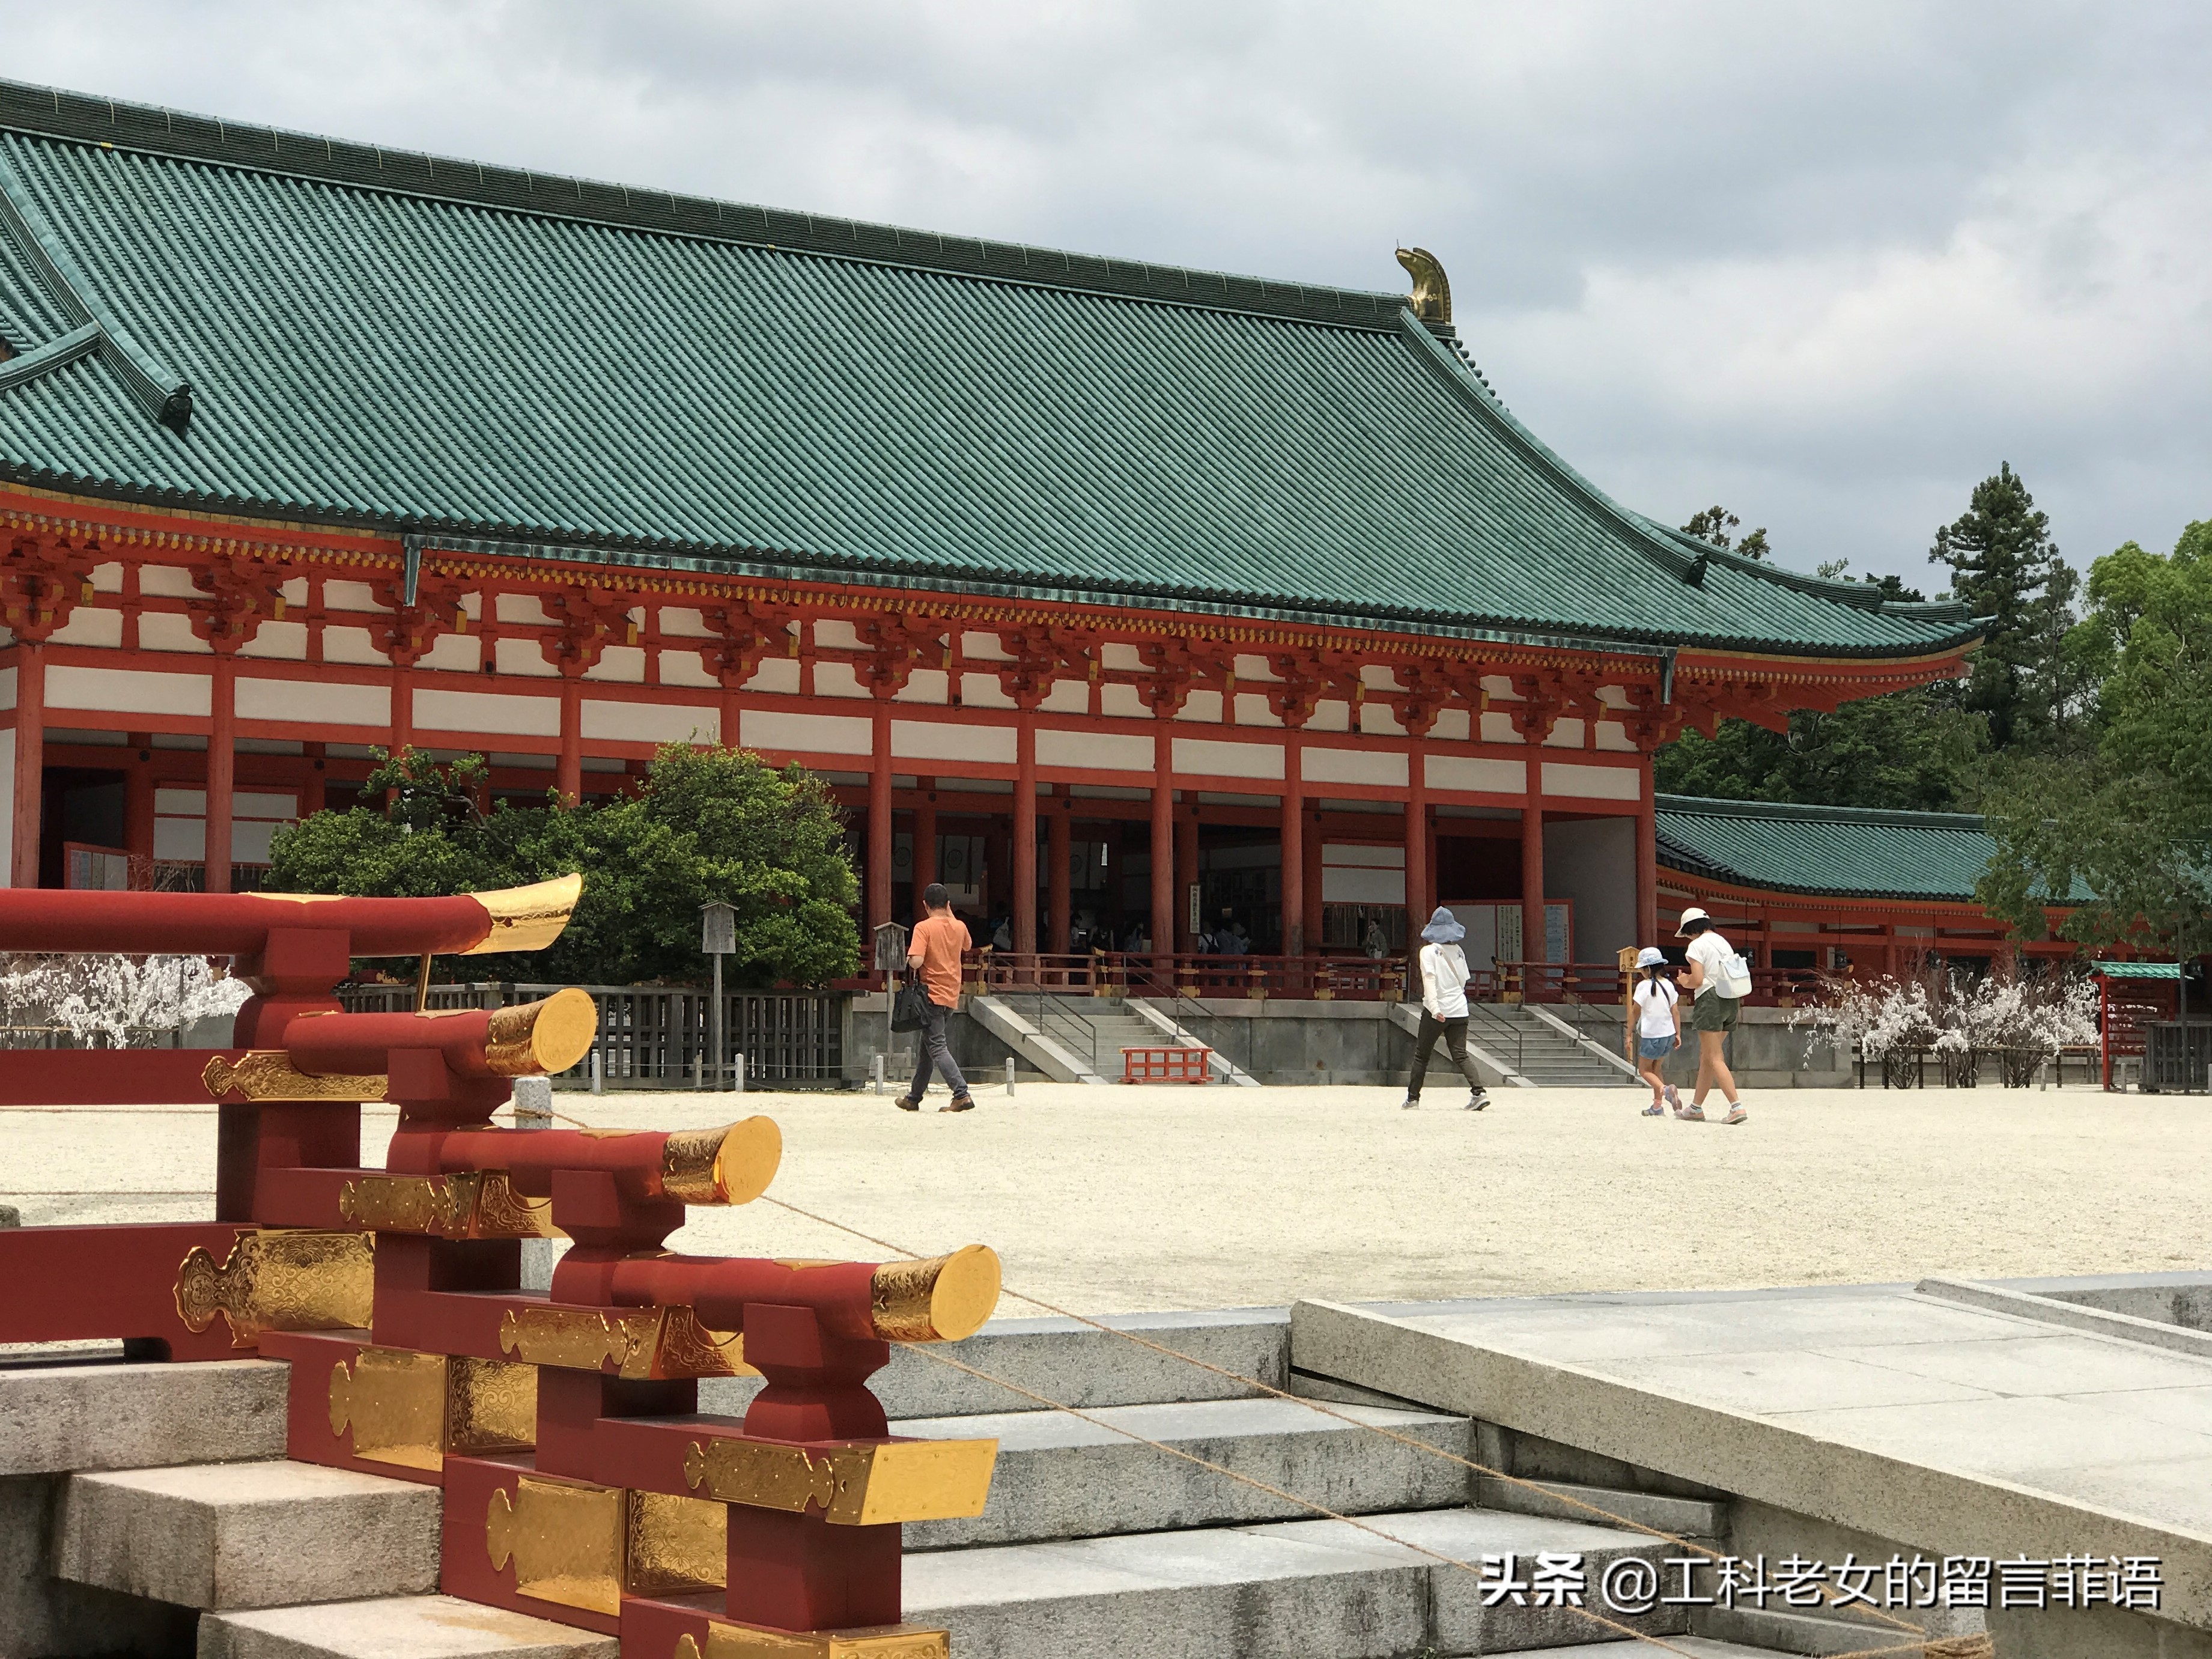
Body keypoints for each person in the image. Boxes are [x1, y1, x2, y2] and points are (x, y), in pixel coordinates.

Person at [896, 882, 976, 1113]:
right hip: (951, 994)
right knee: (928, 1048)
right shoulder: (959, 926)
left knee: (937, 1047)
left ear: (925, 905)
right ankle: (914, 1098)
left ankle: (961, 1093)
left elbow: (917, 961)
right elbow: (968, 945)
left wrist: (909, 959)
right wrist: (950, 915)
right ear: (948, 904)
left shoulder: (923, 927)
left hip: (930, 995)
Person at [1402, 906, 1491, 1112]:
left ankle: (1413, 1099)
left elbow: (1429, 980)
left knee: (1422, 1056)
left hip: (1438, 1010)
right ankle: (1479, 1092)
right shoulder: (1458, 951)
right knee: (1461, 1054)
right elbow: (1464, 980)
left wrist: (1434, 1007)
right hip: (1460, 1009)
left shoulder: (1427, 952)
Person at [1675, 906, 1747, 1124]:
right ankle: (1695, 1108)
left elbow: (1697, 980)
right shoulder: (1723, 942)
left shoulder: (1697, 945)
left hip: (1710, 999)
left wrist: (1684, 981)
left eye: (1687, 933)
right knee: (1707, 1056)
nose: (1687, 937)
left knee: (1715, 1057)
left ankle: (1737, 1107)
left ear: (1691, 928)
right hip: (1731, 998)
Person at [1624, 946, 1683, 1118]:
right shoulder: (1669, 985)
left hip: (1652, 1035)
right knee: (1657, 1069)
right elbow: (1676, 1011)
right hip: (1668, 1033)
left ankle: (1666, 1090)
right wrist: (1678, 1033)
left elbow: (1635, 1012)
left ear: (1647, 969)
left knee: (1644, 1070)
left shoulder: (1643, 986)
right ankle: (1657, 1106)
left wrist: (1628, 1034)